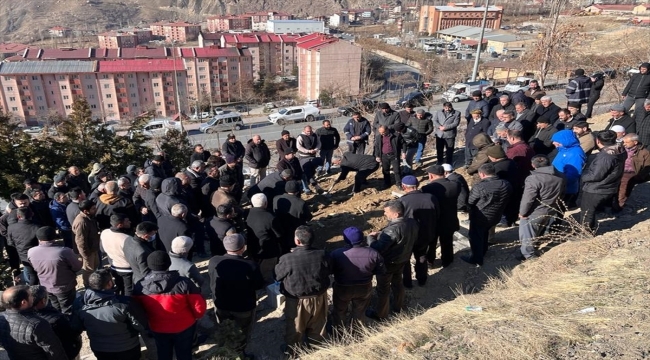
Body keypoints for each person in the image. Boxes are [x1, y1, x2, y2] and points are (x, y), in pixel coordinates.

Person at [133, 251, 207, 360]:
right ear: (169, 264)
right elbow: (199, 307)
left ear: (149, 265)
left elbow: (137, 309)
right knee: (184, 352)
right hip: (184, 326)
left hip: (157, 327)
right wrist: (196, 317)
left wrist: (147, 324)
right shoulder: (184, 283)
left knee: (163, 352)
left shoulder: (140, 286)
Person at [275, 226, 331, 350]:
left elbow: (277, 276)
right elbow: (329, 270)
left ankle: (294, 350)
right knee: (319, 325)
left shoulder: (287, 259)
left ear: (297, 241)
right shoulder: (322, 254)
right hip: (319, 297)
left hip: (297, 300)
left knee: (295, 328)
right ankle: (318, 348)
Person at [70, 269, 147, 360]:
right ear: (110, 283)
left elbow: (77, 327)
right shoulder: (124, 303)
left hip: (100, 349)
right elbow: (140, 325)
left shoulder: (79, 304)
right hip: (127, 348)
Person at [208, 234, 264, 355]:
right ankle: (240, 353)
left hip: (221, 304)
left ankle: (225, 350)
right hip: (243, 307)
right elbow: (258, 285)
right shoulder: (250, 265)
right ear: (243, 247)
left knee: (224, 327)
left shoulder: (214, 261)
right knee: (243, 331)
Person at [366, 200, 418, 321]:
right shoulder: (412, 222)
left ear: (396, 214)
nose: (384, 214)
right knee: (398, 283)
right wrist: (382, 234)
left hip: (388, 263)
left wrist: (370, 238)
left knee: (383, 289)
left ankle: (380, 314)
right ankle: (398, 306)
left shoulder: (391, 230)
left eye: (386, 212)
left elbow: (377, 248)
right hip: (403, 259)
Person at [330, 227, 384, 329]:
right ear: (362, 238)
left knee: (340, 310)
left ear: (345, 240)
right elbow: (380, 271)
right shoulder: (373, 253)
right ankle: (356, 331)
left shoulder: (336, 253)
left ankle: (339, 332)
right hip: (364, 287)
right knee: (359, 310)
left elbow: (330, 270)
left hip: (342, 287)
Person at [461, 164, 512, 266]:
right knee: (484, 233)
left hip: (480, 216)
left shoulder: (480, 186)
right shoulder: (506, 184)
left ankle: (476, 259)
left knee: (475, 237)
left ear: (482, 174)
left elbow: (471, 202)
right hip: (496, 215)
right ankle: (483, 250)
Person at [0, 285, 67, 360]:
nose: (33, 297)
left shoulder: (1, 318)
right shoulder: (37, 324)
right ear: (24, 302)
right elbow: (54, 352)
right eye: (31, 295)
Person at [518, 155, 566, 260]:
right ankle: (532, 248)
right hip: (551, 207)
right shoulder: (560, 176)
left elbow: (528, 199)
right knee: (538, 229)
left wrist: (523, 213)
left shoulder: (533, 179)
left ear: (533, 165)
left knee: (527, 234)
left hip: (535, 210)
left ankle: (528, 255)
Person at [579, 130, 627, 233]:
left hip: (597, 188)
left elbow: (596, 176)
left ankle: (586, 233)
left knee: (587, 212)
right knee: (594, 208)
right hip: (611, 185)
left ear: (598, 141)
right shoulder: (621, 149)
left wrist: (583, 177)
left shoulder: (605, 156)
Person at [28, 226, 81, 315]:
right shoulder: (64, 251)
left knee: (54, 307)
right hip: (65, 287)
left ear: (38, 238)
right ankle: (68, 325)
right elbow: (77, 267)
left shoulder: (31, 252)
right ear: (54, 237)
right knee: (67, 309)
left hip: (46, 286)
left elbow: (33, 267)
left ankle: (58, 323)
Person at [398, 176, 438, 287]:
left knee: (405, 259)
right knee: (421, 256)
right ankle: (422, 279)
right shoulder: (431, 197)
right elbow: (437, 215)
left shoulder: (402, 201)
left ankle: (407, 282)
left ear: (403, 186)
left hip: (409, 236)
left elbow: (399, 221)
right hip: (425, 234)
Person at [421, 165, 461, 267]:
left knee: (431, 242)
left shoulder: (427, 188)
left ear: (431, 176)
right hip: (450, 219)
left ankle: (430, 260)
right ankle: (447, 260)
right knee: (447, 241)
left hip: (435, 221)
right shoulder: (455, 185)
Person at [31, 285, 82, 360]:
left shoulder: (26, 318)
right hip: (66, 353)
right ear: (43, 301)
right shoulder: (56, 320)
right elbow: (72, 333)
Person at [246, 193, 282, 283]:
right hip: (268, 251)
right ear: (266, 203)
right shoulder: (270, 217)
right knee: (267, 272)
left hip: (252, 247)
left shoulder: (247, 213)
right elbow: (279, 234)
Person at [273, 181, 312, 254]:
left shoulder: (276, 199)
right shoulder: (301, 203)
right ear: (297, 191)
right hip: (295, 232)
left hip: (280, 231)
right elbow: (308, 217)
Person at [100, 214, 135, 295]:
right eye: (127, 221)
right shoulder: (127, 238)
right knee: (129, 289)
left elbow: (102, 249)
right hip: (127, 269)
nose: (129, 222)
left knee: (119, 286)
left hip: (114, 267)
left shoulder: (104, 233)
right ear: (120, 225)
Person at [551, 130, 586, 209]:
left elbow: (572, 175)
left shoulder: (576, 154)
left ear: (565, 140)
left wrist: (559, 185)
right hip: (558, 183)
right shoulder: (564, 149)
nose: (553, 143)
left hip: (565, 188)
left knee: (558, 208)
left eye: (556, 141)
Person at [7, 208, 40, 285]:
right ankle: (32, 292)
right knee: (36, 275)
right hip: (36, 255)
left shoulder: (11, 227)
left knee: (31, 274)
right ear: (32, 214)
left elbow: (10, 243)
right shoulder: (36, 227)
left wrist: (19, 247)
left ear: (18, 216)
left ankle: (30, 290)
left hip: (22, 254)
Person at [72, 200, 100, 288]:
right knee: (88, 270)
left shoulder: (89, 218)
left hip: (93, 249)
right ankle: (89, 287)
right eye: (93, 209)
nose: (96, 210)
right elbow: (80, 241)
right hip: (88, 252)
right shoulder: (82, 222)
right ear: (85, 211)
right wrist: (86, 255)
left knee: (94, 267)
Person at [617, 133, 650, 209]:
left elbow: (647, 166)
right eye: (623, 142)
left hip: (631, 172)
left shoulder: (644, 152)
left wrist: (640, 176)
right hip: (619, 169)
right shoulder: (621, 148)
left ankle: (619, 204)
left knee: (624, 185)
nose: (624, 144)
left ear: (635, 142)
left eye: (626, 142)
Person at [374, 125, 404, 189]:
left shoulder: (396, 135)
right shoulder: (378, 137)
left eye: (383, 132)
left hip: (394, 155)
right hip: (384, 156)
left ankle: (398, 183)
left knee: (397, 170)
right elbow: (376, 147)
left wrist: (403, 152)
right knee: (385, 170)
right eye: (380, 132)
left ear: (387, 130)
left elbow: (403, 143)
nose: (382, 134)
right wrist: (377, 156)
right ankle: (387, 183)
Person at [296, 125, 324, 194]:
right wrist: (308, 151)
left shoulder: (314, 135)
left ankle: (317, 173)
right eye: (308, 131)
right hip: (304, 157)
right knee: (306, 173)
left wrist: (315, 150)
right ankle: (310, 188)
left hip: (313, 155)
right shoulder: (300, 137)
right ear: (304, 130)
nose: (309, 132)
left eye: (310, 131)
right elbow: (299, 146)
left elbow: (319, 143)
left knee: (319, 162)